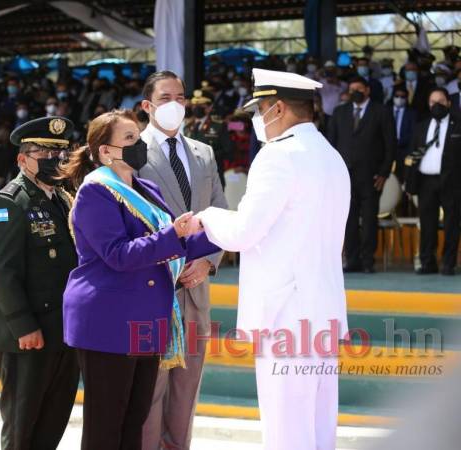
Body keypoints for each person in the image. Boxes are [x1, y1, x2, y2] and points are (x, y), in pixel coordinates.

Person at [196, 68, 351, 450]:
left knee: (286, 429)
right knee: (317, 424)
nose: (255, 119)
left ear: (278, 108)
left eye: (259, 109)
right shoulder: (332, 156)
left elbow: (244, 232)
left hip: (286, 312)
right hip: (322, 308)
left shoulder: (277, 156)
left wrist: (204, 218)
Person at [62, 110, 220, 450]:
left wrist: (220, 233)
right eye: (130, 139)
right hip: (110, 319)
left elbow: (173, 245)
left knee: (135, 421)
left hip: (146, 318)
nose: (139, 145)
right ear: (105, 152)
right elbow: (118, 254)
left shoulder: (145, 188)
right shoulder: (97, 192)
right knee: (106, 425)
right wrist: (174, 234)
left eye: (139, 137)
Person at [137, 72, 228, 450]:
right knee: (150, 389)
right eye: (165, 97)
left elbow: (220, 212)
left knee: (187, 389)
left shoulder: (203, 152)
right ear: (147, 106)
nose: (175, 103)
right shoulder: (133, 151)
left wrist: (209, 261)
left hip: (196, 287)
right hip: (152, 288)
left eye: (181, 96)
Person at [0, 116, 80, 450]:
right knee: (22, 427)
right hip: (26, 334)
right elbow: (2, 272)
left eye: (61, 154)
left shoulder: (65, 198)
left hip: (62, 330)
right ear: (22, 160)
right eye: (45, 154)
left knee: (53, 421)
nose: (56, 162)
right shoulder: (7, 203)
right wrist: (24, 327)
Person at [328, 76, 396, 273]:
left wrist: (384, 173)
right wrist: (332, 173)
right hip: (344, 176)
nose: (354, 91)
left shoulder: (381, 111)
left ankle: (368, 261)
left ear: (367, 90)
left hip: (372, 176)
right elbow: (331, 145)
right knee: (347, 220)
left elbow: (390, 145)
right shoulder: (340, 112)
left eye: (358, 88)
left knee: (369, 220)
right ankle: (352, 260)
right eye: (351, 88)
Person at [411, 88, 461, 275]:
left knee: (451, 224)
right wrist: (410, 183)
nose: (436, 105)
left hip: (452, 182)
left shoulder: (458, 125)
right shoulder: (421, 126)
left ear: (449, 103)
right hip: (426, 181)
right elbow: (412, 155)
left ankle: (448, 264)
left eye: (441, 101)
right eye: (433, 102)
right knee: (427, 225)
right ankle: (427, 263)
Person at [183, 88, 233, 187]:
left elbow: (228, 151)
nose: (197, 107)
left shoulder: (219, 126)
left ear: (209, 107)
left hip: (212, 177)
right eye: (195, 105)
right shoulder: (187, 128)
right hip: (192, 179)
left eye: (201, 105)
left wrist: (207, 154)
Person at [390, 85, 417, 182]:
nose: (399, 99)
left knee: (402, 177)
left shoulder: (412, 113)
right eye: (397, 96)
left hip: (404, 150)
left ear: (406, 98)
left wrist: (399, 142)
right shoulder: (385, 111)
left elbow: (413, 133)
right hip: (387, 149)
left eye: (402, 97)